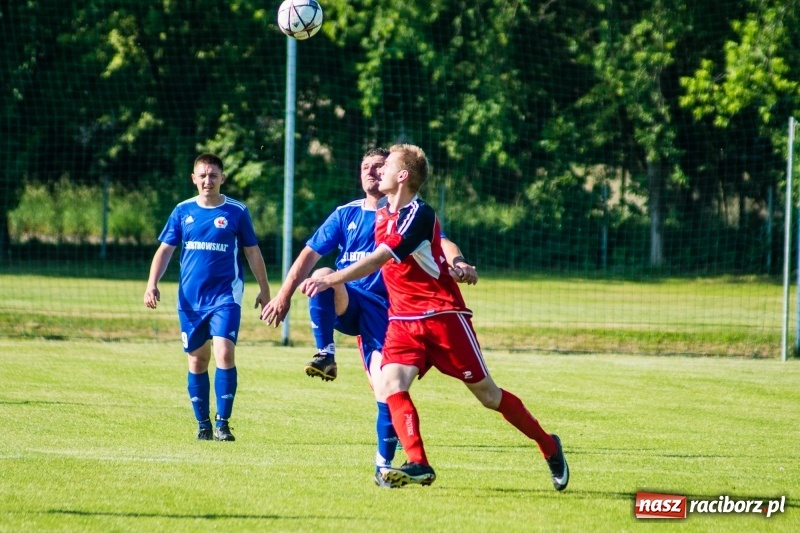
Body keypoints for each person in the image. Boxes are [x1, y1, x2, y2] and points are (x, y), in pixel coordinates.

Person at [300, 144, 569, 490]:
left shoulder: (418, 214)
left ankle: (549, 445)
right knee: (390, 385)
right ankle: (418, 462)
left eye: (387, 167)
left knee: (489, 396)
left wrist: (330, 278)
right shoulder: (382, 216)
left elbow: (388, 255)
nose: (377, 172)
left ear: (403, 176)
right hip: (402, 323)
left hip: (442, 318)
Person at [261, 147, 476, 486]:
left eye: (380, 166)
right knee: (324, 274)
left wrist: (458, 262)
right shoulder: (346, 214)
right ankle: (325, 354)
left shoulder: (406, 214)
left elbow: (443, 241)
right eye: (366, 167)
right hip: (353, 301)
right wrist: (283, 295)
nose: (373, 172)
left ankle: (383, 466)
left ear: (395, 173)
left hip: (393, 315)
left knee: (384, 389)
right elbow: (308, 255)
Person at [144, 153, 271, 442]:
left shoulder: (237, 212)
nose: (207, 180)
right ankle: (203, 425)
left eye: (213, 175)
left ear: (222, 178)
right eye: (202, 175)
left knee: (224, 353)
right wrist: (152, 283)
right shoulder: (182, 211)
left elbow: (252, 251)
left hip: (226, 296)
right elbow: (165, 250)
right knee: (198, 361)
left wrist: (264, 289)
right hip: (190, 300)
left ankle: (223, 423)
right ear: (193, 178)